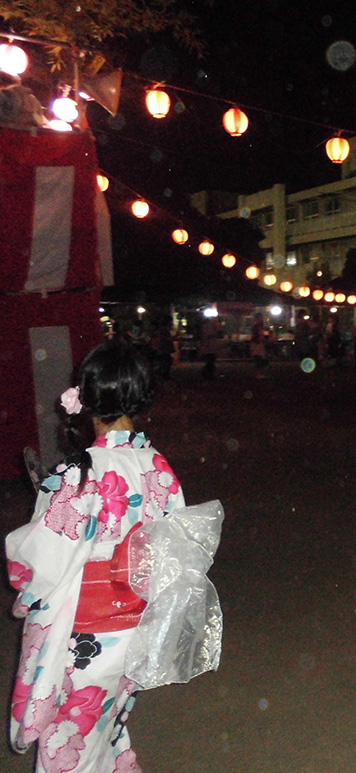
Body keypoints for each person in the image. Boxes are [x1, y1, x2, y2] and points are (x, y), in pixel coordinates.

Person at [5, 340, 186, 771]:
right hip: (136, 630)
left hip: (87, 637)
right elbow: (175, 549)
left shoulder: (79, 473)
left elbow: (40, 563)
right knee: (105, 727)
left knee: (68, 742)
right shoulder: (159, 467)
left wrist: (23, 570)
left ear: (86, 399)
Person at [199, 314, 223, 381]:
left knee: (210, 360)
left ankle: (208, 373)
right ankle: (208, 373)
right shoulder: (214, 325)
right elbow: (220, 333)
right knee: (211, 360)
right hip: (211, 345)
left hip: (208, 345)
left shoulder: (205, 326)